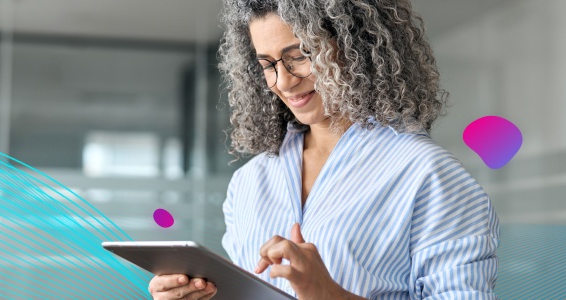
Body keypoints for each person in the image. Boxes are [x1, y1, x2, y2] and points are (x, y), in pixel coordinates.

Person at [148, 0, 499, 299]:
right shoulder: (249, 182)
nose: (284, 81)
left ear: (356, 45)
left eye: (300, 55)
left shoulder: (429, 174)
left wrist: (330, 294)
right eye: (267, 65)